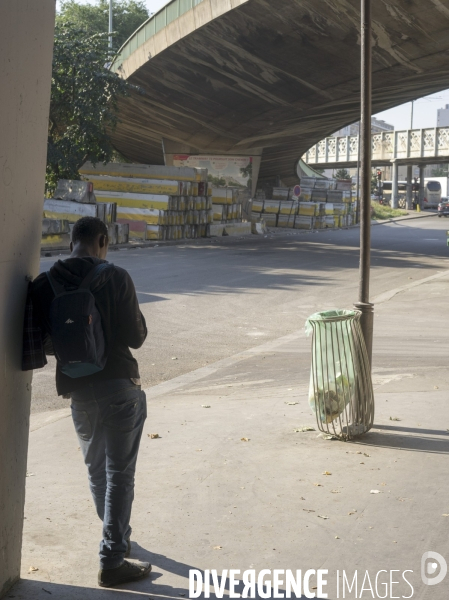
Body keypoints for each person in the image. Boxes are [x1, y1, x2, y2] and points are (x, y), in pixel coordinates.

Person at [27, 217, 151, 588]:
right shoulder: (116, 276)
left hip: (77, 390)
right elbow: (137, 336)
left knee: (98, 472)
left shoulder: (42, 285)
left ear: (70, 243)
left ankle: (117, 538)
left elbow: (41, 345)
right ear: (102, 240)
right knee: (120, 476)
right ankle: (112, 557)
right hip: (119, 386)